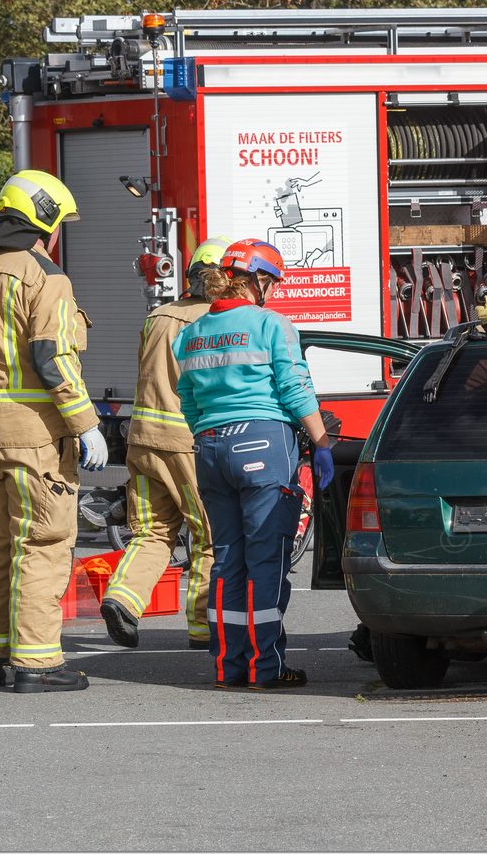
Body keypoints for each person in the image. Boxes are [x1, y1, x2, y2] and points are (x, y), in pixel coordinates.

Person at [0, 170, 107, 693]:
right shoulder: (46, 279)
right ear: (45, 220)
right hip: (36, 438)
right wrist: (87, 426)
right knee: (41, 544)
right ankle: (39, 665)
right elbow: (54, 359)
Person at [172, 239, 334, 690]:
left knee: (226, 560)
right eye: (273, 282)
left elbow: (187, 400)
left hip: (210, 447)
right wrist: (321, 442)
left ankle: (229, 666)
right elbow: (295, 389)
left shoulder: (190, 334)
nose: (275, 292)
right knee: (266, 560)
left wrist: (209, 434)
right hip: (263, 445)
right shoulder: (271, 324)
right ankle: (267, 669)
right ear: (257, 279)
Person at [99, 238, 227, 650]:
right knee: (211, 534)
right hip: (188, 441)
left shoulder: (158, 316)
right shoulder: (214, 320)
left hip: (143, 438)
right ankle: (203, 626)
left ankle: (122, 599)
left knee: (152, 533)